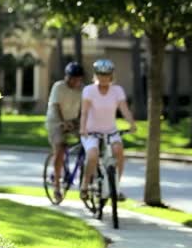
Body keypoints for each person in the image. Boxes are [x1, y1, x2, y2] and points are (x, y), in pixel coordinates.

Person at [79, 59, 137, 201]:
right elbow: (85, 112)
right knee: (93, 156)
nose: (103, 78)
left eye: (106, 75)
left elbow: (124, 109)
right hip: (91, 132)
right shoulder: (89, 90)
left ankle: (115, 188)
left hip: (111, 132)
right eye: (100, 75)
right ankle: (85, 185)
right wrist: (82, 128)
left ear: (111, 75)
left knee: (119, 152)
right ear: (96, 75)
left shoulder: (117, 91)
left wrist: (132, 124)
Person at [46, 62, 85, 201]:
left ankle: (86, 182)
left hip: (73, 122)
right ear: (67, 77)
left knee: (89, 144)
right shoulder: (59, 87)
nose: (76, 82)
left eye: (79, 79)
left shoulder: (82, 90)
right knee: (60, 149)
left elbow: (84, 109)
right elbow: (56, 107)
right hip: (56, 122)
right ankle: (57, 186)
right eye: (73, 78)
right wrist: (63, 122)